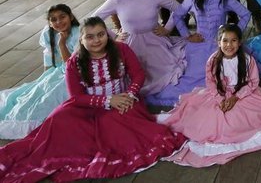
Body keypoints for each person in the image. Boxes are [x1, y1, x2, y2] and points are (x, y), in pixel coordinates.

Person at [0, 17, 186, 182]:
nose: (97, 40)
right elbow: (77, 97)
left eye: (101, 34)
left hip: (123, 102)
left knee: (117, 125)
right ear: (81, 39)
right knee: (58, 120)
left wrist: (129, 95)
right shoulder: (75, 61)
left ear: (107, 34)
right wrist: (106, 101)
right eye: (90, 37)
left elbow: (138, 74)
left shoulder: (121, 49)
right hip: (87, 106)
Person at [161, 25, 261, 167]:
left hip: (244, 93)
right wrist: (220, 98)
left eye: (233, 40)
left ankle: (234, 130)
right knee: (212, 117)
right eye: (225, 41)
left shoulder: (247, 60)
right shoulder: (213, 60)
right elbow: (210, 82)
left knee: (237, 118)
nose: (229, 45)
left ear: (240, 42)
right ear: (218, 42)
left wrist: (235, 97)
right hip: (219, 93)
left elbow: (253, 82)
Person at [147, 0, 251, 107]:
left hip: (220, 45)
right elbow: (177, 16)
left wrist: (232, 37)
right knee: (194, 78)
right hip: (198, 45)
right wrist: (187, 35)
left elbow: (246, 14)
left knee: (224, 77)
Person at [93, 0, 185, 96]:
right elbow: (94, 19)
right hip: (130, 45)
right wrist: (113, 36)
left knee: (162, 73)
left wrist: (167, 28)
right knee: (132, 76)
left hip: (155, 42)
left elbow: (179, 8)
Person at [0, 4, 80, 139]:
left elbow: (70, 65)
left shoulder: (78, 33)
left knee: (52, 96)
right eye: (53, 19)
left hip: (74, 71)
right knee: (34, 94)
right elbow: (49, 61)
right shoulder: (48, 33)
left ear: (71, 17)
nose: (58, 22)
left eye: (62, 17)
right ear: (49, 22)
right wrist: (43, 81)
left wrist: (62, 43)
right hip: (58, 71)